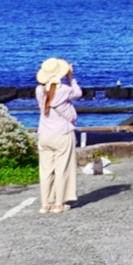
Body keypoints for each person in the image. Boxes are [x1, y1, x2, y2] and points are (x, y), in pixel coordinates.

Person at [35, 57, 81, 213]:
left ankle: (45, 203)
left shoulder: (39, 90)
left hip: (44, 134)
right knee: (62, 169)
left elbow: (48, 89)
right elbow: (78, 93)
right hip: (62, 134)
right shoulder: (64, 90)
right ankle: (59, 204)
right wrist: (70, 77)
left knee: (46, 170)